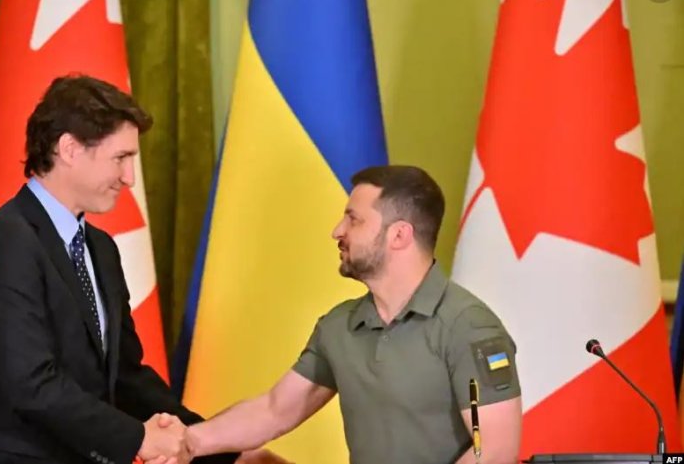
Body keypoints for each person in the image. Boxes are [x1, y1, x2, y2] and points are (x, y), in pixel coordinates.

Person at [0, 75, 239, 464]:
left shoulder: (101, 249)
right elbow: (30, 382)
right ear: (69, 149)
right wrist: (139, 439)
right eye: (120, 158)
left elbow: (124, 378)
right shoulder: (6, 239)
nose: (129, 178)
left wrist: (218, 451)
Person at [181, 165, 523, 464]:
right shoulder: (339, 327)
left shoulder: (467, 326)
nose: (337, 231)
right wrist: (188, 441)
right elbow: (275, 409)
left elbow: (493, 452)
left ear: (399, 235)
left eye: (353, 219)